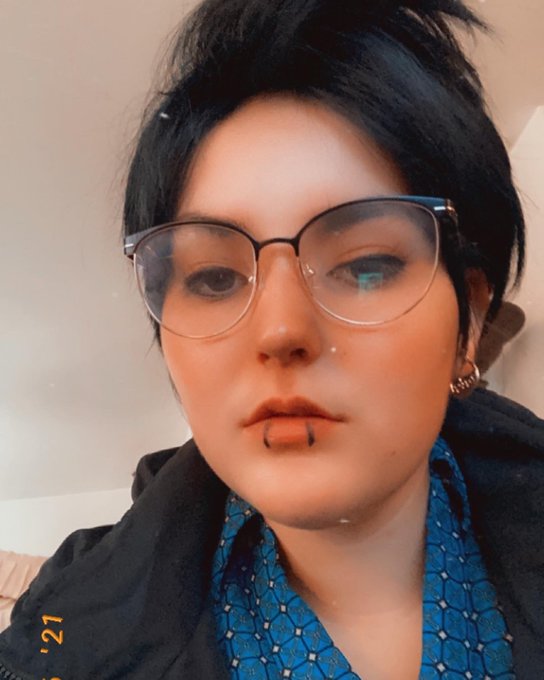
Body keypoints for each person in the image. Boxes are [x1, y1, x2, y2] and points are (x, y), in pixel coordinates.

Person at [1, 0, 543, 678]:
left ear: (470, 323)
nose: (281, 329)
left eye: (366, 267)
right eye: (215, 278)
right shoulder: (59, 640)